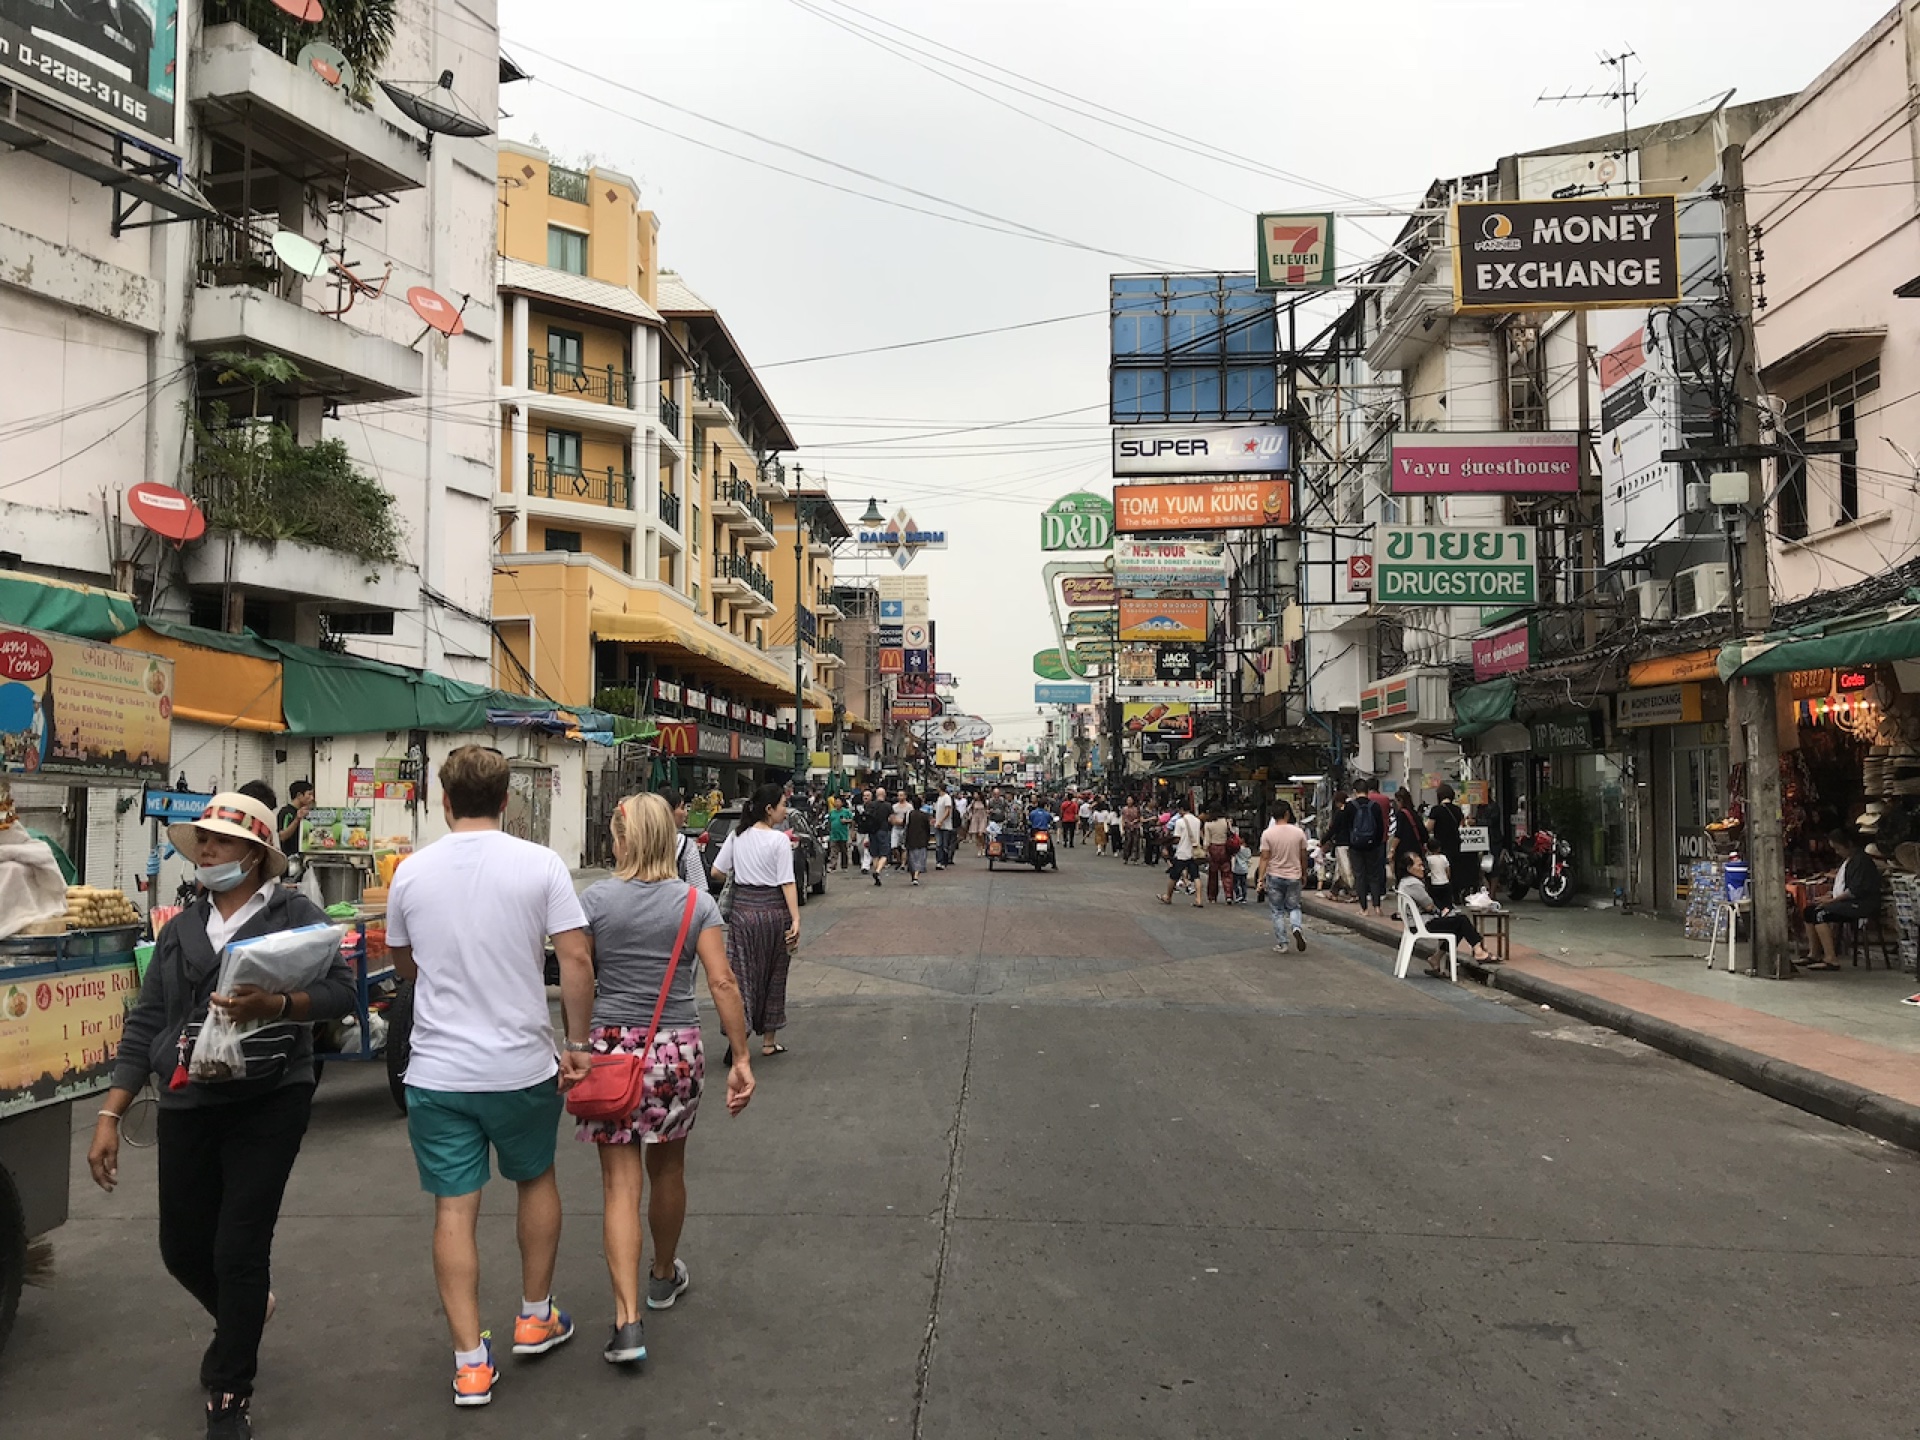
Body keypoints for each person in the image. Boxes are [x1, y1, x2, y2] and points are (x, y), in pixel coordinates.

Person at [91, 792, 354, 1440]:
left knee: (239, 1245)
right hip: (187, 1098)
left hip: (271, 1098)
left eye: (221, 841)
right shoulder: (182, 925)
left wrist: (279, 1003)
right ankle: (244, 1311)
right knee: (182, 1246)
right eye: (202, 840)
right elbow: (148, 1019)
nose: (206, 850)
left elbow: (340, 991)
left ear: (256, 855)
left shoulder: (296, 915)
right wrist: (111, 1110)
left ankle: (229, 1390)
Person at [385, 746, 595, 1409]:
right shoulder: (542, 866)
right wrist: (580, 1045)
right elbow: (578, 960)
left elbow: (405, 966)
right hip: (521, 1067)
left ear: (444, 801)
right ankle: (535, 1315)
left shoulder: (410, 875)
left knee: (454, 1208)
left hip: (438, 1072)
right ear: (508, 801)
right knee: (534, 1177)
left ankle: (470, 1362)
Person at [576, 793, 755, 1365]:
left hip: (609, 1054)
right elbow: (723, 983)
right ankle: (660, 1275)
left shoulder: (595, 901)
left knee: (619, 1187)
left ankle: (626, 1323)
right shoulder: (695, 903)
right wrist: (743, 1056)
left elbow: (578, 974)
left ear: (624, 839)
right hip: (674, 1050)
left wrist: (577, 1044)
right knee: (669, 1167)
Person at [711, 784, 801, 1053]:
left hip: (742, 912)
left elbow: (716, 871)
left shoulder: (737, 836)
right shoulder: (779, 840)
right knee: (774, 974)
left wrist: (739, 881)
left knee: (741, 974)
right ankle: (769, 1042)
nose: (785, 810)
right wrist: (795, 919)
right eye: (783, 805)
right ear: (769, 809)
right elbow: (787, 882)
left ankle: (737, 1036)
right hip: (773, 912)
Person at [1395, 848, 1489, 970]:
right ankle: (1478, 951)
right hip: (1423, 923)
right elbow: (1428, 905)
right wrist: (1440, 911)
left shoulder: (1405, 882)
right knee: (1462, 920)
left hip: (1418, 921)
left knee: (1457, 924)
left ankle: (1436, 958)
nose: (1423, 868)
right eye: (1419, 865)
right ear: (1409, 868)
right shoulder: (1413, 884)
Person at [1802, 829, 1883, 970]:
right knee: (1809, 911)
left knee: (1820, 914)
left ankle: (1831, 959)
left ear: (1849, 844)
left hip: (1862, 903)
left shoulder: (1861, 861)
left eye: (1838, 848)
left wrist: (1832, 901)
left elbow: (1855, 891)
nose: (1837, 852)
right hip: (1850, 901)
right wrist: (1829, 896)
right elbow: (1844, 886)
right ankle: (1814, 954)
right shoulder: (1849, 860)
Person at [1252, 801, 1310, 954]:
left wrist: (1260, 879)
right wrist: (1304, 873)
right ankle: (1296, 927)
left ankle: (1282, 943)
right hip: (1294, 876)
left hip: (1275, 875)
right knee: (1294, 907)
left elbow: (1264, 858)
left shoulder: (1267, 834)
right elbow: (1303, 855)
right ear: (1287, 814)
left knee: (1277, 911)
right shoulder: (1298, 832)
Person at [1350, 779, 1390, 918]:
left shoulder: (1351, 806)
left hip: (1356, 846)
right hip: (1373, 845)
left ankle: (1364, 908)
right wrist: (1376, 842)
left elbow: (1345, 826)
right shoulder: (1375, 806)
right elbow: (1380, 827)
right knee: (1374, 875)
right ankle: (1377, 906)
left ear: (1355, 791)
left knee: (1360, 876)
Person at [657, 787, 709, 891]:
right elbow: (700, 889)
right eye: (681, 807)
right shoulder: (686, 846)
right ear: (668, 811)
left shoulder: (640, 842)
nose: (685, 813)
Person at [1160, 798, 1204, 908]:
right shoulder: (1197, 821)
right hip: (1193, 853)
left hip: (1182, 853)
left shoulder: (1180, 822)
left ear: (1181, 809)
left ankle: (1168, 896)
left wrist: (1167, 843)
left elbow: (1177, 839)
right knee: (1196, 876)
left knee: (1173, 876)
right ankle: (1198, 899)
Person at [1429, 784, 1463, 907]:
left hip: (1440, 844)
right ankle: (1457, 896)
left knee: (1441, 870)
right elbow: (1460, 824)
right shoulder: (1458, 810)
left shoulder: (1436, 810)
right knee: (1454, 869)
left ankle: (1443, 896)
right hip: (1455, 843)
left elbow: (1429, 827)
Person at [272, 779, 311, 859]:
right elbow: (282, 836)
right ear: (299, 795)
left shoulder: (305, 812)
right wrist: (297, 820)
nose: (312, 798)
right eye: (309, 794)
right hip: (290, 859)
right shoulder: (287, 812)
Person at [1201, 805, 1232, 903]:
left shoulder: (1208, 824)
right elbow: (1231, 833)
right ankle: (1228, 895)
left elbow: (1207, 840)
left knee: (1213, 874)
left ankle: (1212, 897)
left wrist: (1205, 851)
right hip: (1224, 848)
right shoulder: (1226, 821)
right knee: (1226, 873)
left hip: (1213, 848)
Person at [862, 787, 893, 887]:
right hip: (883, 830)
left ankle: (876, 874)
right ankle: (878, 871)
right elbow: (891, 819)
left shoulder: (870, 805)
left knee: (875, 854)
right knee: (884, 854)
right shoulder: (888, 806)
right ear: (884, 795)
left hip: (872, 832)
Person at [1328, 789, 1355, 899]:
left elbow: (1333, 829)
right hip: (1352, 843)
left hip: (1341, 844)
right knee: (1341, 869)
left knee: (1345, 869)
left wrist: (1323, 841)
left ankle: (1352, 891)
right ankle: (1334, 891)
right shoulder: (1353, 811)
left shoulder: (1339, 813)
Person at [904, 793, 933, 885]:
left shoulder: (909, 814)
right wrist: (928, 838)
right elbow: (927, 828)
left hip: (911, 839)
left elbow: (906, 826)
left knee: (912, 858)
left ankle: (914, 875)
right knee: (920, 858)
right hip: (921, 839)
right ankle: (916, 876)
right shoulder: (924, 815)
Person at [826, 795, 852, 872]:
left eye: (838, 802)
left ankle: (844, 866)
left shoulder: (846, 811)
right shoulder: (832, 812)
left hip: (843, 835)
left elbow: (852, 820)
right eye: (836, 801)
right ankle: (832, 866)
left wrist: (846, 821)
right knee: (833, 851)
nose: (837, 803)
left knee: (844, 851)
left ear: (842, 803)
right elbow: (830, 821)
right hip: (834, 835)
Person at [933, 784, 956, 869]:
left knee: (944, 845)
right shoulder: (939, 798)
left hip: (945, 825)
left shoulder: (947, 798)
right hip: (938, 824)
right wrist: (936, 820)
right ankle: (939, 862)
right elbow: (938, 811)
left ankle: (943, 862)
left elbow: (947, 811)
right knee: (939, 844)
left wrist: (941, 821)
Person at [1228, 825, 1251, 904]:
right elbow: (1248, 858)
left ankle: (1238, 895)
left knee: (1235, 883)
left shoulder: (1238, 849)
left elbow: (1233, 853)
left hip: (1237, 869)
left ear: (1243, 839)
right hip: (1245, 869)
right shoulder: (1248, 850)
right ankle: (1244, 897)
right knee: (1243, 884)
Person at [890, 789, 912, 864]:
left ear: (905, 796)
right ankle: (898, 860)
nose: (899, 797)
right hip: (895, 828)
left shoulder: (909, 806)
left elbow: (910, 817)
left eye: (901, 795)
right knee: (893, 846)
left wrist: (903, 822)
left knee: (904, 848)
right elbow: (891, 817)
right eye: (898, 795)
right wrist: (895, 821)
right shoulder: (894, 806)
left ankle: (903, 863)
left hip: (905, 828)